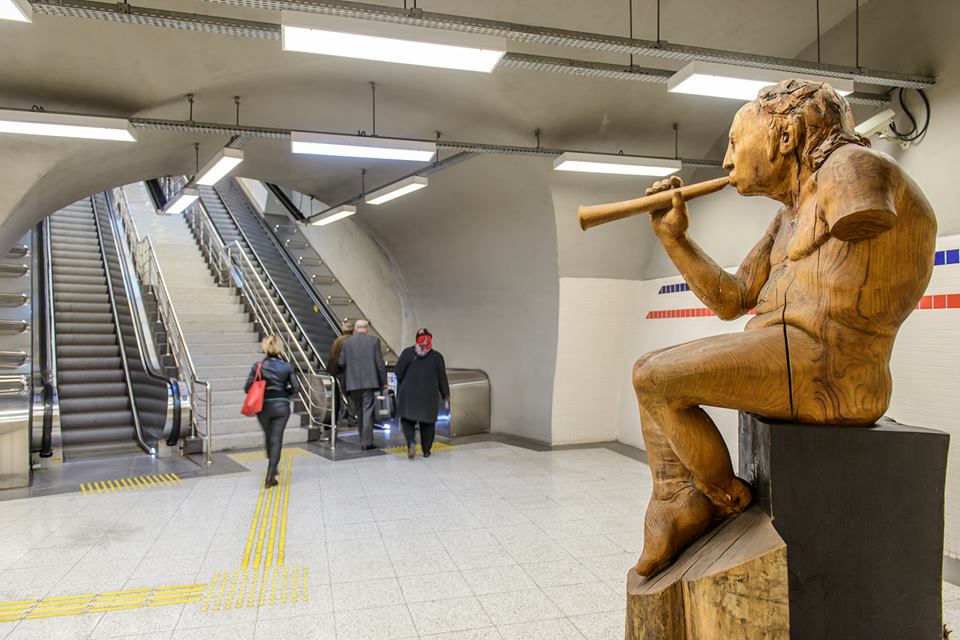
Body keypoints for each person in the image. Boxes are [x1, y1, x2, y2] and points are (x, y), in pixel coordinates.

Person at [630, 79, 936, 577]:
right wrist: (675, 240)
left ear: (787, 136)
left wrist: (840, 170)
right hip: (790, 356)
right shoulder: (787, 217)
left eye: (735, 142)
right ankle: (675, 497)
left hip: (832, 370)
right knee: (649, 370)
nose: (727, 161)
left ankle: (721, 496)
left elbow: (865, 211)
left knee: (654, 377)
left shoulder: (851, 167)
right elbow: (732, 300)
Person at [244, 335, 300, 488]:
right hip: (282, 406)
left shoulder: (258, 366)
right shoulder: (287, 367)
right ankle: (271, 474)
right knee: (276, 439)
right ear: (280, 348)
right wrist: (285, 394)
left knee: (268, 436)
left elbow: (247, 388)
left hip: (263, 407)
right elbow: (296, 388)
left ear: (265, 348)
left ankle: (272, 466)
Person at [394, 328, 450, 459]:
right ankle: (426, 451)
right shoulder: (437, 357)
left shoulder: (408, 353)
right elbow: (442, 378)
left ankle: (411, 442)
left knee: (407, 420)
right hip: (429, 395)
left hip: (408, 394)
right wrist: (445, 394)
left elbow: (398, 372)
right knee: (428, 423)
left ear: (416, 340)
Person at [338, 319, 387, 451]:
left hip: (352, 383)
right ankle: (367, 442)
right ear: (366, 329)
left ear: (355, 329)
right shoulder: (374, 341)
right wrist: (384, 382)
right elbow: (379, 363)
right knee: (368, 411)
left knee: (360, 412)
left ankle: (363, 438)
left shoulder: (346, 343)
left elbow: (341, 362)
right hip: (370, 382)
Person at [326, 320, 356, 426]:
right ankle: (352, 418)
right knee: (352, 396)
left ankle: (336, 418)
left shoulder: (337, 341)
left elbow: (332, 357)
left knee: (339, 395)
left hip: (338, 372)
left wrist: (330, 372)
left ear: (343, 331)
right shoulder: (354, 341)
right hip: (352, 372)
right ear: (353, 330)